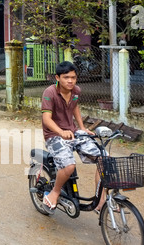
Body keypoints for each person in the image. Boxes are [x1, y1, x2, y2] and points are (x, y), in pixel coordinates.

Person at [41, 61, 105, 214]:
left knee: (104, 159)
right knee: (69, 166)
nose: (70, 81)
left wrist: (82, 128)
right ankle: (55, 192)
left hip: (73, 132)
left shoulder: (76, 91)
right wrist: (61, 132)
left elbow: (75, 106)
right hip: (54, 135)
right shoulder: (49, 93)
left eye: (73, 77)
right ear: (57, 77)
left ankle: (101, 201)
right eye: (66, 77)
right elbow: (46, 119)